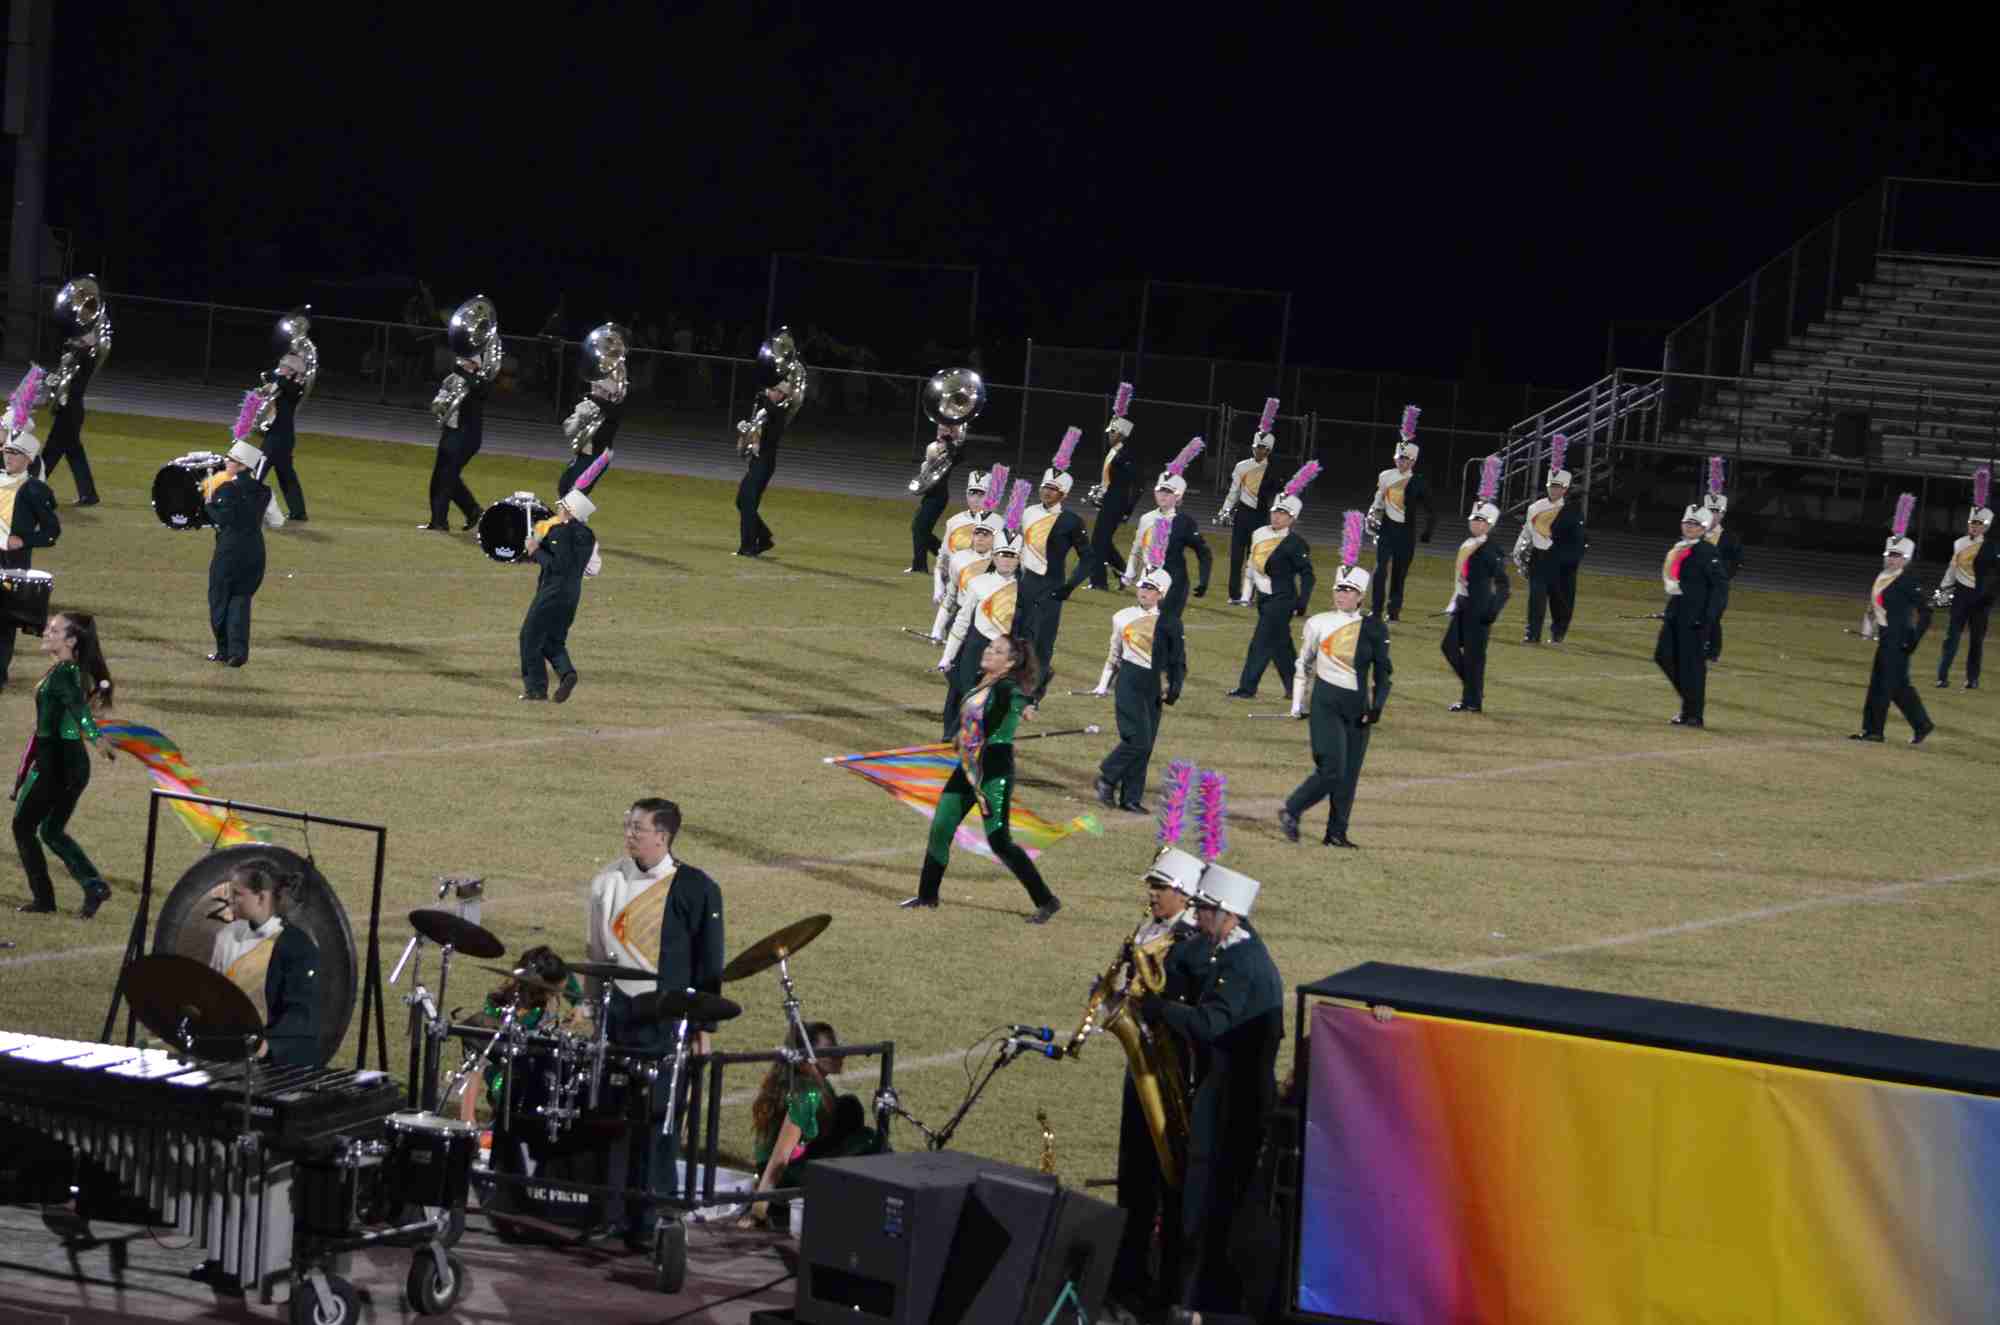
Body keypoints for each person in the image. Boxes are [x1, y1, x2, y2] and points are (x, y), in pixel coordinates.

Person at [1144, 863, 1282, 1319]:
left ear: (1229, 915)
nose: (1198, 915)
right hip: (1228, 1095)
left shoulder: (1242, 963)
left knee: (1208, 1207)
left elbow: (1209, 1024)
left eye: (1205, 909)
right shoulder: (1238, 949)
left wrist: (1161, 1009)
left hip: (1231, 1104)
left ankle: (1201, 1305)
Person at [1106, 845, 1207, 1318]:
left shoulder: (1190, 941)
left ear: (1183, 893)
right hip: (1140, 1064)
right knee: (1133, 1180)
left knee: (1166, 1183)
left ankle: (1163, 1291)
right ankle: (1127, 1279)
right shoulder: (1150, 926)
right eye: (1151, 885)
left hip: (1169, 1073)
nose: (1152, 894)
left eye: (1160, 887)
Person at [904, 633, 1062, 922]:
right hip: (967, 766)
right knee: (941, 828)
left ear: (1010, 663)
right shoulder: (983, 681)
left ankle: (1047, 900)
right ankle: (927, 896)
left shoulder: (1006, 686)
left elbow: (1017, 698)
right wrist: (960, 737)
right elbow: (974, 720)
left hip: (993, 770)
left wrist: (1027, 705)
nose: (989, 651)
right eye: (990, 646)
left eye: (997, 651)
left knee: (999, 841)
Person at [1279, 565, 1392, 848]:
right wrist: (1298, 703)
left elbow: (1383, 673)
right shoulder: (1318, 622)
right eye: (1338, 589)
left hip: (1358, 710)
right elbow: (1303, 664)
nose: (1342, 595)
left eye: (1349, 590)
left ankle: (1336, 833)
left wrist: (1376, 707)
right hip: (1325, 704)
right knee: (1332, 769)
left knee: (1349, 775)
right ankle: (1292, 809)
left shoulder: (1374, 627)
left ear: (1360, 595)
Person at [12, 611, 115, 917]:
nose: (46, 632)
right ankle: (93, 885)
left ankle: (44, 900)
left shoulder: (65, 673)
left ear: (71, 641)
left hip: (57, 763)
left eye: (54, 630)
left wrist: (97, 739)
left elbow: (78, 708)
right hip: (70, 763)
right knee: (51, 830)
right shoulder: (69, 671)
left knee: (23, 827)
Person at [737, 1021, 879, 1229]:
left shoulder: (818, 1081)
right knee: (869, 1142)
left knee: (850, 1107)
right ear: (809, 1057)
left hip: (800, 1156)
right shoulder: (806, 1093)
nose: (840, 1053)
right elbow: (780, 1157)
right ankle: (780, 1206)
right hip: (785, 1174)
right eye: (830, 1049)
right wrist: (759, 1208)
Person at [204, 859, 323, 1067]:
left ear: (261, 897)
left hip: (271, 1061)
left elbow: (300, 1012)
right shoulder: (226, 935)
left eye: (237, 894)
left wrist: (267, 1047)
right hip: (225, 1051)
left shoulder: (297, 946)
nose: (230, 900)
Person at [455, 946, 587, 1123]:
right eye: (555, 992)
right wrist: (467, 1119)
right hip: (506, 1072)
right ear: (543, 989)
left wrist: (578, 1004)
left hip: (542, 1060)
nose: (560, 995)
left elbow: (566, 978)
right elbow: (477, 1060)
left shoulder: (550, 974)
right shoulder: (504, 1009)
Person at [1091, 568, 1185, 813]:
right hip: (1129, 679)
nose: (1144, 591)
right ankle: (1107, 777)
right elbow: (1114, 653)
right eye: (1143, 586)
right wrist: (1103, 683)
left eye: (1151, 589)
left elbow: (1177, 659)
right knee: (1138, 740)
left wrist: (1174, 687)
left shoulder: (1171, 622)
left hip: (1153, 684)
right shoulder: (1122, 616)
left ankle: (1131, 798)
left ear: (1161, 594)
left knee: (1147, 744)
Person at [1224, 493, 1314, 699]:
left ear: (1292, 519)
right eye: (1275, 512)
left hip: (1282, 600)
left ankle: (1247, 688)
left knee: (1261, 643)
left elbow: (1308, 574)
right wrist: (1246, 595)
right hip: (1264, 599)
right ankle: (1296, 687)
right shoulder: (1258, 533)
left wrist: (1302, 602)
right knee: (1281, 646)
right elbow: (1252, 565)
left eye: (1283, 514)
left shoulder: (1295, 543)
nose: (1277, 517)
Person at [936, 528, 1023, 739]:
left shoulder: (1024, 589)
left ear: (1019, 559)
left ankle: (967, 741)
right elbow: (962, 621)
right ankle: (950, 738)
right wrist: (948, 655)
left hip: (1004, 653)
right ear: (994, 556)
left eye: (1012, 556)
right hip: (975, 647)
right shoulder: (978, 583)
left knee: (988, 700)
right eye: (1002, 554)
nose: (1006, 560)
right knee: (965, 695)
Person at [518, 489, 602, 702]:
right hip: (572, 594)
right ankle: (567, 673)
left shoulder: (559, 532)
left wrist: (534, 550)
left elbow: (556, 565)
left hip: (552, 591)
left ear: (569, 510)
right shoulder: (589, 536)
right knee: (553, 641)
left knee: (529, 638)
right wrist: (536, 549)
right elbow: (589, 568)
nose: (557, 509)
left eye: (561, 506)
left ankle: (536, 689)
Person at [1853, 534, 1936, 744]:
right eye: (1890, 555)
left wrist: (1914, 639)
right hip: (1886, 637)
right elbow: (1876, 606)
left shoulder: (1907, 580)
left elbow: (1926, 611)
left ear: (1906, 559)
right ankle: (1922, 724)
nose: (1892, 559)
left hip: (1899, 641)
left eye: (1897, 556)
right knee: (1898, 687)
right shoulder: (1882, 576)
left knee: (1881, 686)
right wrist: (1869, 627)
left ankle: (1874, 732)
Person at [1020, 467, 1094, 700]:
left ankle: (1034, 694)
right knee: (1020, 637)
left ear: (1064, 494)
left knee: (1042, 642)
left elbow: (1088, 558)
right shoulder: (1028, 512)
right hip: (1025, 582)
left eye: (1054, 489)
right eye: (1045, 486)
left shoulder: (1071, 521)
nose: (1047, 492)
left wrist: (1069, 586)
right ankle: (1018, 686)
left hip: (1052, 586)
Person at [0, 419, 62, 689]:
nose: (9, 457)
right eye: (7, 451)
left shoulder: (35, 490)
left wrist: (23, 540)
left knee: (3, 622)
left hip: (11, 563)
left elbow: (51, 532)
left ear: (28, 459)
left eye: (15, 453)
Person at [206, 438, 275, 667]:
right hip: (255, 552)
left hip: (230, 552)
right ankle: (238, 653)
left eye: (231, 459)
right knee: (241, 601)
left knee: (219, 601)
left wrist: (208, 504)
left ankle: (223, 650)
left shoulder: (227, 489)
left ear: (243, 465)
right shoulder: (265, 491)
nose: (226, 462)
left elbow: (222, 518)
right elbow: (276, 521)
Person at [1655, 505, 1726, 728]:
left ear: (1704, 529)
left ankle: (1694, 714)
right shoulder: (1679, 548)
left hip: (1696, 616)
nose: (1690, 527)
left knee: (1692, 665)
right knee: (1663, 656)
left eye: (1695, 524)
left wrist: (1709, 618)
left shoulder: (1707, 551)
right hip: (1676, 610)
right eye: (1687, 522)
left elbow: (1719, 588)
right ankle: (1690, 705)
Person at [1441, 497, 1510, 713]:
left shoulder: (1490, 550)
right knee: (1449, 647)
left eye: (1481, 521)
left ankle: (1472, 700)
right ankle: (1473, 689)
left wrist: (1493, 610)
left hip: (1480, 609)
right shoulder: (1468, 544)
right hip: (1463, 606)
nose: (1476, 523)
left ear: (1490, 525)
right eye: (1474, 519)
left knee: (1474, 657)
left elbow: (1504, 585)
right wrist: (1454, 603)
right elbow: (1461, 579)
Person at [1123, 469, 1213, 622]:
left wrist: (1203, 579)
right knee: (1145, 625)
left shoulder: (1184, 522)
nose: (1163, 495)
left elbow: (1203, 552)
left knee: (1167, 626)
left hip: (1174, 583)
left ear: (1178, 497)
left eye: (1169, 492)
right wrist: (1130, 572)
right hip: (1148, 580)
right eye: (1160, 491)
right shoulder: (1146, 518)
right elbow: (1136, 549)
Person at [1364, 438, 1434, 622]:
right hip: (1386, 530)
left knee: (1399, 573)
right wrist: (1372, 515)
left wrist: (1428, 530)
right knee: (1380, 570)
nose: (1401, 462)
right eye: (1399, 458)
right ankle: (1376, 611)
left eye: (1406, 459)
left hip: (1406, 533)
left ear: (1413, 461)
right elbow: (1378, 500)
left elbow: (1430, 510)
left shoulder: (1418, 482)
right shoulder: (1385, 476)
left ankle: (1393, 612)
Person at [39, 320, 107, 507]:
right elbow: (63, 377)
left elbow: (81, 352)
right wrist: (50, 379)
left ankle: (31, 487)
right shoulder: (75, 358)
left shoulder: (87, 359)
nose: (76, 340)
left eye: (81, 339)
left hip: (70, 413)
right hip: (69, 411)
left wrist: (85, 340)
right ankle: (89, 494)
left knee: (50, 454)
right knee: (75, 455)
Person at [422, 352, 491, 531]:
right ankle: (472, 511)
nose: (462, 363)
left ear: (475, 364)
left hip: (467, 436)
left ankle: (440, 522)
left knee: (447, 477)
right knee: (441, 476)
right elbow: (438, 402)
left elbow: (480, 391)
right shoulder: (451, 379)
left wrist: (465, 374)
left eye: (467, 361)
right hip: (450, 432)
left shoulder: (480, 381)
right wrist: (439, 405)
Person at [1935, 501, 1994, 690]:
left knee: (1976, 640)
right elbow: (1952, 569)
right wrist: (1942, 591)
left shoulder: (1991, 547)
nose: (1974, 527)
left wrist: (1990, 596)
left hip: (1981, 599)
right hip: (1960, 595)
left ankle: (1972, 679)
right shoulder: (1959, 543)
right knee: (1951, 637)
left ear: (1986, 527)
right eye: (1972, 523)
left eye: (1979, 524)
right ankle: (1942, 676)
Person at [1513, 466, 1576, 644]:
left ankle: (1558, 633)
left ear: (1565, 489)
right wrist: (1518, 553)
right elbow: (1527, 532)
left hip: (1560, 559)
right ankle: (1532, 634)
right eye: (1551, 486)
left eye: (1558, 487)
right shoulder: (1535, 507)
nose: (1554, 490)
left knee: (1559, 599)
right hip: (1538, 557)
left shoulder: (1570, 511)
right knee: (1536, 598)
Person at [735, 375, 793, 557]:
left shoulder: (779, 412)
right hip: (758, 462)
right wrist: (744, 432)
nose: (772, 393)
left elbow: (770, 410)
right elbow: (752, 439)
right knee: (742, 501)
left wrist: (763, 395)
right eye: (773, 390)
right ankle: (764, 537)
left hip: (765, 462)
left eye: (776, 391)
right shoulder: (765, 411)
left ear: (782, 395)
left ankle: (748, 547)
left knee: (747, 502)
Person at [556, 358, 628, 498]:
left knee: (575, 493)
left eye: (599, 388)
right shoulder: (591, 403)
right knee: (564, 486)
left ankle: (575, 512)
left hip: (598, 456)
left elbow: (607, 411)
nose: (595, 390)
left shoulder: (613, 408)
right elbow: (568, 428)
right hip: (585, 454)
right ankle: (571, 512)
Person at [1088, 399, 1139, 592]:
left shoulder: (1126, 454)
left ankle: (1099, 582)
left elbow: (1137, 484)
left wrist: (1128, 509)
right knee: (1102, 542)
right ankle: (1124, 573)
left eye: (1114, 432)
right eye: (1110, 432)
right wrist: (1100, 493)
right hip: (1109, 501)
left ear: (1123, 434)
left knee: (1098, 542)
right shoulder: (1113, 451)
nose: (1110, 435)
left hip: (1117, 503)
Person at [1220, 433, 1276, 604]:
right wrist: (1225, 511)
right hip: (1242, 514)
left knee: (1255, 559)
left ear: (1269, 451)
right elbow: (1234, 492)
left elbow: (1276, 495)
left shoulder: (1273, 470)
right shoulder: (1241, 466)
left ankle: (1248, 595)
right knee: (1236, 556)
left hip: (1260, 516)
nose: (1258, 451)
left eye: (1263, 448)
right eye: (1257, 447)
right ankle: (1234, 595)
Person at [262, 340, 313, 521]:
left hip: (280, 437)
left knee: (258, 473)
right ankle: (298, 512)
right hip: (278, 435)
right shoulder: (283, 383)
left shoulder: (295, 387)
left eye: (283, 366)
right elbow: (270, 378)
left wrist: (278, 379)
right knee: (286, 476)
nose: (280, 368)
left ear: (291, 371)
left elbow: (284, 384)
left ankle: (250, 508)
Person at [928, 514, 996, 641]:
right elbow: (949, 598)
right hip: (962, 615)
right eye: (977, 534)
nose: (980, 539)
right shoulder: (958, 559)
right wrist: (936, 630)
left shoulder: (1000, 563)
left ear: (993, 539)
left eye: (985, 535)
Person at [907, 422, 965, 574]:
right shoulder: (934, 447)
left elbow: (958, 456)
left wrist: (949, 441)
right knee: (919, 530)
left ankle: (922, 565)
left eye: (945, 430)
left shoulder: (952, 450)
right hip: (930, 494)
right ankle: (947, 560)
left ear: (951, 433)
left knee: (919, 529)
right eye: (939, 429)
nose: (940, 432)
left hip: (938, 496)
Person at [930, 469, 993, 608]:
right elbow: (943, 558)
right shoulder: (954, 521)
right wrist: (938, 585)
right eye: (972, 493)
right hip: (953, 589)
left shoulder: (997, 524)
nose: (975, 499)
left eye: (981, 494)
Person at [1702, 493, 1743, 662]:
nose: (1713, 514)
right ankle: (1710, 650)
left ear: (1723, 513)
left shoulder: (1730, 537)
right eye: (1710, 510)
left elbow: (1738, 561)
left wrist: (1724, 577)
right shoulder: (1695, 532)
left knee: (1711, 617)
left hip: (1718, 587)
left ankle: (1710, 650)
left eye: (1717, 511)